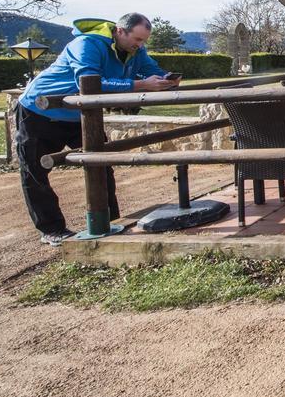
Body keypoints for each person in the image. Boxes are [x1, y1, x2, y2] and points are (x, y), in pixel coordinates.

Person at [15, 13, 179, 244]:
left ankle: (111, 222)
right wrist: (140, 85)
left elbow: (150, 67)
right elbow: (89, 82)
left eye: (144, 41)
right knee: (35, 171)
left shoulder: (135, 52)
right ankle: (52, 229)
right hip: (39, 112)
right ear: (120, 31)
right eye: (138, 39)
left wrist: (167, 79)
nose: (140, 45)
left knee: (102, 165)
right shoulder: (86, 44)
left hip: (81, 114)